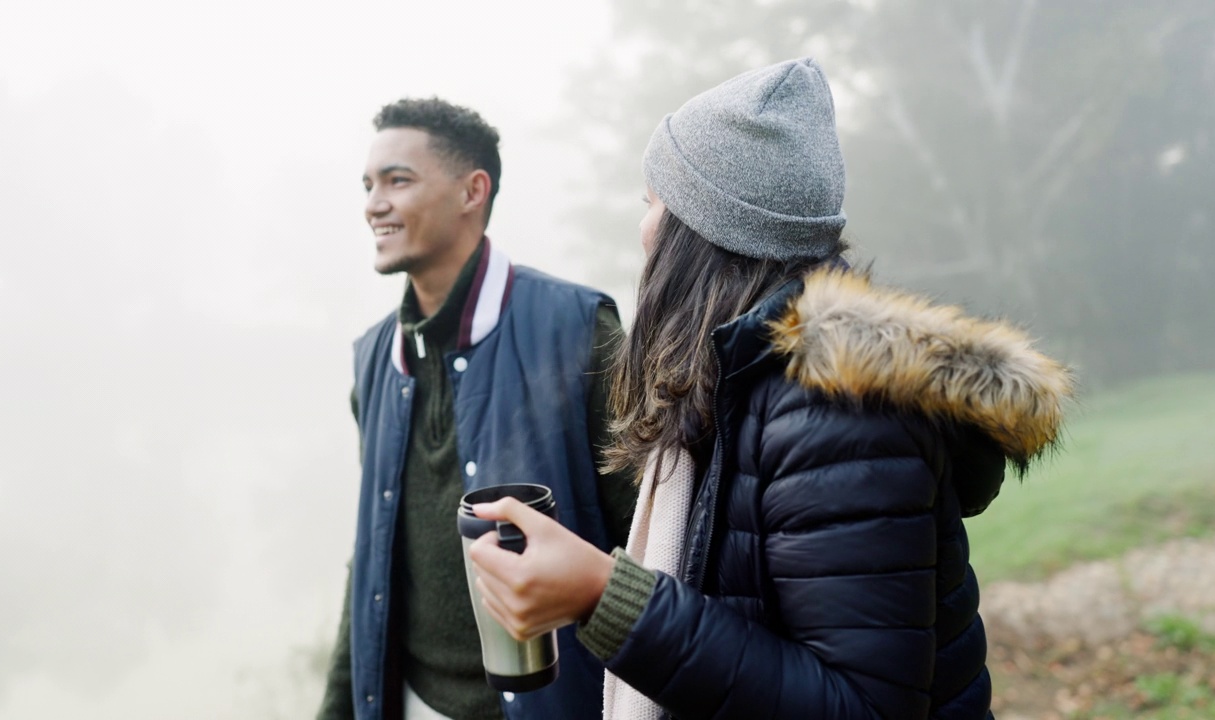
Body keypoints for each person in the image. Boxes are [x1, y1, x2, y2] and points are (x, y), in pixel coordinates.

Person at [467, 58, 1073, 719]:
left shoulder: (837, 410)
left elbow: (862, 708)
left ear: (705, 229)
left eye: (653, 203)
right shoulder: (740, 378)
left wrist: (605, 597)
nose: (643, 230)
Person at [316, 98, 637, 720]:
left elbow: (654, 550)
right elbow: (372, 554)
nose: (373, 204)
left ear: (473, 190)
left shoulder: (579, 331)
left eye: (397, 180)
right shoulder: (372, 359)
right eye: (368, 185)